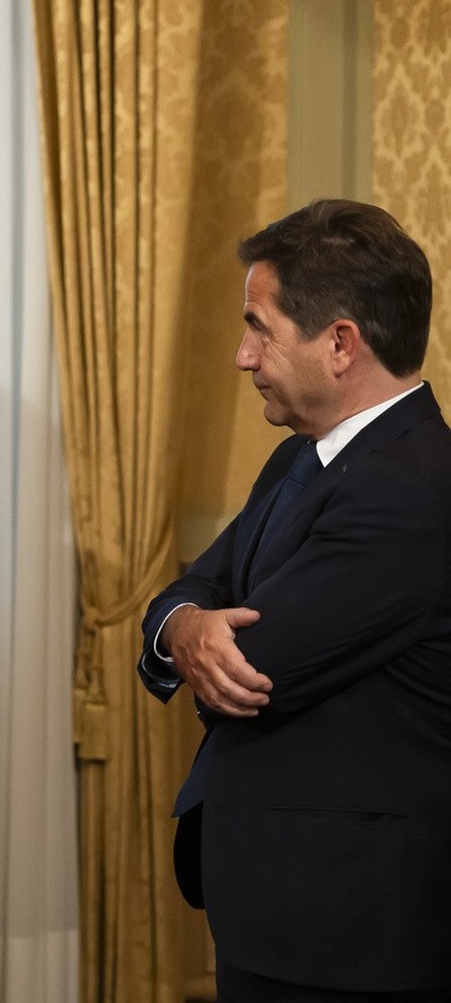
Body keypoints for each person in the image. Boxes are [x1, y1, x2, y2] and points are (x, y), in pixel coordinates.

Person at [137, 200, 451, 1000]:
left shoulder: (412, 488)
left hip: (351, 928)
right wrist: (185, 625)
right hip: (285, 909)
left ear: (341, 343)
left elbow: (250, 668)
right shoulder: (295, 462)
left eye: (260, 328)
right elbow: (188, 594)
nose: (243, 356)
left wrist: (204, 633)